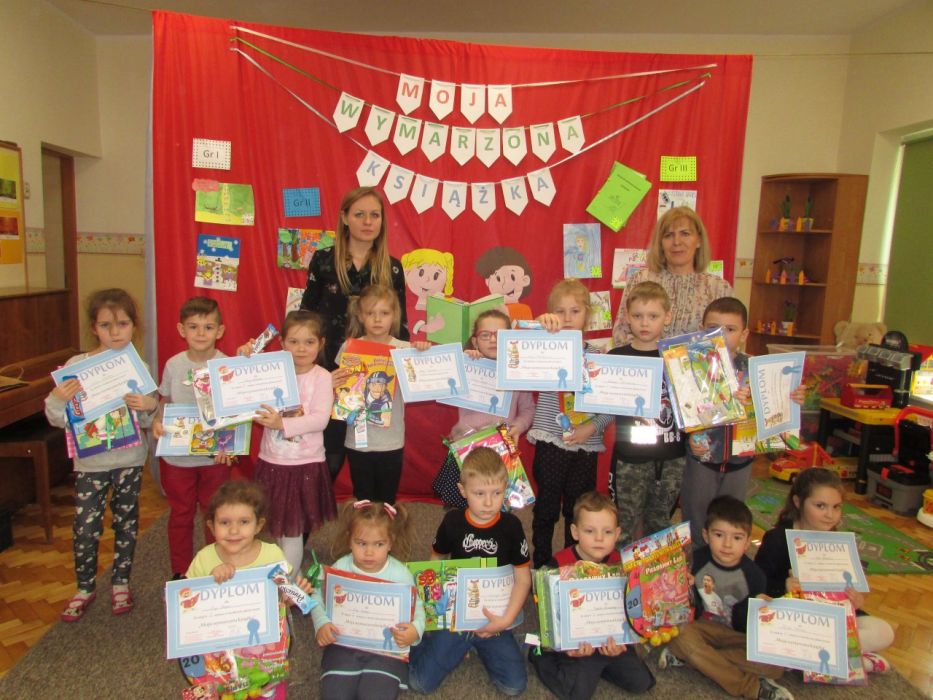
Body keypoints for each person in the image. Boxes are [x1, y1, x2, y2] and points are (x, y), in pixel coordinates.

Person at [45, 288, 159, 621]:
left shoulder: (138, 367)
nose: (115, 332)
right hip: (90, 463)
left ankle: (121, 583)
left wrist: (149, 405)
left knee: (126, 523)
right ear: (94, 328)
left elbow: (148, 421)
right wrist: (57, 398)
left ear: (133, 326)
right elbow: (57, 419)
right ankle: (84, 587)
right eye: (106, 325)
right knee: (85, 526)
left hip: (129, 460)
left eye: (122, 324)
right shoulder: (76, 367)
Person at [300, 186, 409, 481]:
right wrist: (307, 369)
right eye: (359, 214)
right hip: (331, 372)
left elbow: (401, 327)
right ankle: (311, 511)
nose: (368, 221)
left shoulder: (392, 268)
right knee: (329, 455)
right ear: (344, 218)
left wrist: (407, 365)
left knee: (371, 458)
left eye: (375, 215)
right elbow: (306, 317)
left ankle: (371, 510)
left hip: (377, 378)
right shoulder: (323, 260)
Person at [680, 297, 806, 548]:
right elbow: (684, 412)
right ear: (701, 330)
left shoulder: (756, 369)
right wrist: (691, 434)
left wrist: (791, 398)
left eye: (730, 329)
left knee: (732, 520)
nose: (720, 335)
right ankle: (696, 566)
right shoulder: (690, 366)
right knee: (696, 521)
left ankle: (727, 564)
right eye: (712, 328)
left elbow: (774, 407)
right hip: (701, 459)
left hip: (741, 461)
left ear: (744, 334)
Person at [409, 447, 531, 695]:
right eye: (479, 493)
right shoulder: (453, 522)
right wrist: (433, 609)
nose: (488, 502)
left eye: (497, 493)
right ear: (463, 490)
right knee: (419, 683)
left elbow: (522, 578)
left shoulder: (511, 526)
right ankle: (434, 640)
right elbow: (436, 559)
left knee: (514, 686)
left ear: (505, 489)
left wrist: (505, 621)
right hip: (457, 615)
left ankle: (477, 644)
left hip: (494, 616)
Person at [754, 468, 895, 674]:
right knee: (770, 633)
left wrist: (855, 600)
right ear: (798, 502)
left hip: (831, 617)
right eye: (820, 506)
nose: (830, 515)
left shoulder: (838, 542)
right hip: (794, 618)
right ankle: (850, 660)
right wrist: (783, 586)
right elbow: (756, 585)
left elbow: (844, 591)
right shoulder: (777, 539)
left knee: (883, 632)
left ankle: (813, 659)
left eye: (836, 507)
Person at [658, 496, 794, 700]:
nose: (727, 544)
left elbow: (747, 627)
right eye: (719, 535)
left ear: (747, 542)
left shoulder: (755, 575)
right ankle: (751, 687)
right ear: (706, 535)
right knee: (680, 634)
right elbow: (687, 609)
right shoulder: (695, 561)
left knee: (777, 665)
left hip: (735, 635)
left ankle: (692, 658)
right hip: (702, 628)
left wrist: (758, 608)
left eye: (737, 538)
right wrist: (687, 588)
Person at [187, 480, 313, 700]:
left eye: (244, 522)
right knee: (223, 690)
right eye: (224, 522)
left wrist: (298, 595)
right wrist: (210, 580)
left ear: (258, 525)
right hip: (220, 650)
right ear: (211, 526)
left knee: (267, 688)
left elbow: (284, 593)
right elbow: (185, 603)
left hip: (265, 648)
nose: (234, 530)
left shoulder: (271, 555)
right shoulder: (204, 559)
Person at [530, 492, 656, 700]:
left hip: (609, 640)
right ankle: (537, 654)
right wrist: (564, 647)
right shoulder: (558, 565)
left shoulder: (622, 565)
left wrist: (622, 643)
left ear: (617, 534)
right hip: (575, 644)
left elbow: (631, 609)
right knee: (577, 694)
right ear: (575, 532)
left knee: (642, 682)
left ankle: (599, 666)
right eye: (590, 531)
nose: (599, 538)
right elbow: (548, 615)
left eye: (607, 532)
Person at [529, 279, 613, 567]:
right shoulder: (544, 346)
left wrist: (592, 427)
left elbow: (613, 405)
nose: (566, 318)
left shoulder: (599, 357)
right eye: (559, 311)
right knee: (546, 508)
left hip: (585, 444)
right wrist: (538, 326)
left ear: (587, 315)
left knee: (577, 511)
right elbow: (518, 348)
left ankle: (571, 565)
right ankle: (541, 565)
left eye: (575, 311)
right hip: (551, 440)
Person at [248, 310, 337, 575]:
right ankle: (291, 577)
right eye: (294, 342)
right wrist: (246, 355)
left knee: (293, 532)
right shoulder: (272, 372)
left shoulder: (322, 377)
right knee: (277, 526)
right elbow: (243, 384)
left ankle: (289, 583)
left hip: (304, 465)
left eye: (309, 342)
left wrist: (281, 424)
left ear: (321, 343)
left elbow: (320, 420)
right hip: (272, 460)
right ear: (282, 343)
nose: (301, 348)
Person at [151, 296, 232, 579]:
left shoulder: (226, 365)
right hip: (178, 458)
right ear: (181, 329)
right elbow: (165, 401)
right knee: (181, 514)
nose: (200, 333)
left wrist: (229, 445)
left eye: (208, 327)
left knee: (216, 514)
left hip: (214, 458)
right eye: (193, 326)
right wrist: (158, 421)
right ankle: (180, 572)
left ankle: (214, 568)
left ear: (219, 331)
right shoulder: (174, 365)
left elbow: (235, 412)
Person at [310, 499, 424, 699]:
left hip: (386, 652)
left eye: (379, 544)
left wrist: (415, 630)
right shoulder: (340, 568)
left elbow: (418, 607)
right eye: (361, 543)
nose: (369, 552)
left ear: (391, 542)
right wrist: (322, 623)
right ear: (349, 540)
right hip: (344, 645)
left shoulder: (401, 574)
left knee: (375, 695)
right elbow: (317, 595)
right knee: (334, 695)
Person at [331, 284, 429, 504]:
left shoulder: (404, 349)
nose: (377, 319)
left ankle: (386, 527)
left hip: (391, 439)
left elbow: (421, 382)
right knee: (363, 498)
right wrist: (333, 382)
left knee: (387, 500)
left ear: (394, 315)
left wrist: (421, 353)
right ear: (360, 316)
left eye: (384, 313)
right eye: (370, 313)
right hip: (358, 439)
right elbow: (340, 386)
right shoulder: (349, 347)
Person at [432, 309, 535, 508]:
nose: (493, 340)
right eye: (485, 335)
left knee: (497, 503)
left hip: (500, 447)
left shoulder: (517, 373)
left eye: (500, 335)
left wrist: (518, 427)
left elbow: (528, 409)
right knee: (461, 505)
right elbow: (442, 379)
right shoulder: (467, 365)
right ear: (475, 341)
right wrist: (464, 360)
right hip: (466, 445)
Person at [608, 282, 684, 546]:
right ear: (627, 317)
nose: (644, 323)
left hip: (671, 457)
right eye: (638, 315)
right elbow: (601, 399)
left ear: (667, 317)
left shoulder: (678, 357)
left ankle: (655, 573)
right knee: (623, 523)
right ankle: (620, 570)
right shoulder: (616, 357)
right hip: (630, 458)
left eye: (653, 316)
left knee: (660, 524)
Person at [612, 206, 732, 347]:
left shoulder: (718, 288)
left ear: (699, 240)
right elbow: (621, 335)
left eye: (685, 234)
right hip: (646, 360)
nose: (676, 242)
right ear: (660, 243)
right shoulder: (639, 280)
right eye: (668, 235)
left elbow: (727, 339)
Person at [475, 245, 535, 323]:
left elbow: (525, 330)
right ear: (488, 282)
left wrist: (507, 318)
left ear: (525, 280)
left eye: (512, 277)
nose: (504, 285)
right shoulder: (486, 311)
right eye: (498, 279)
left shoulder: (524, 310)